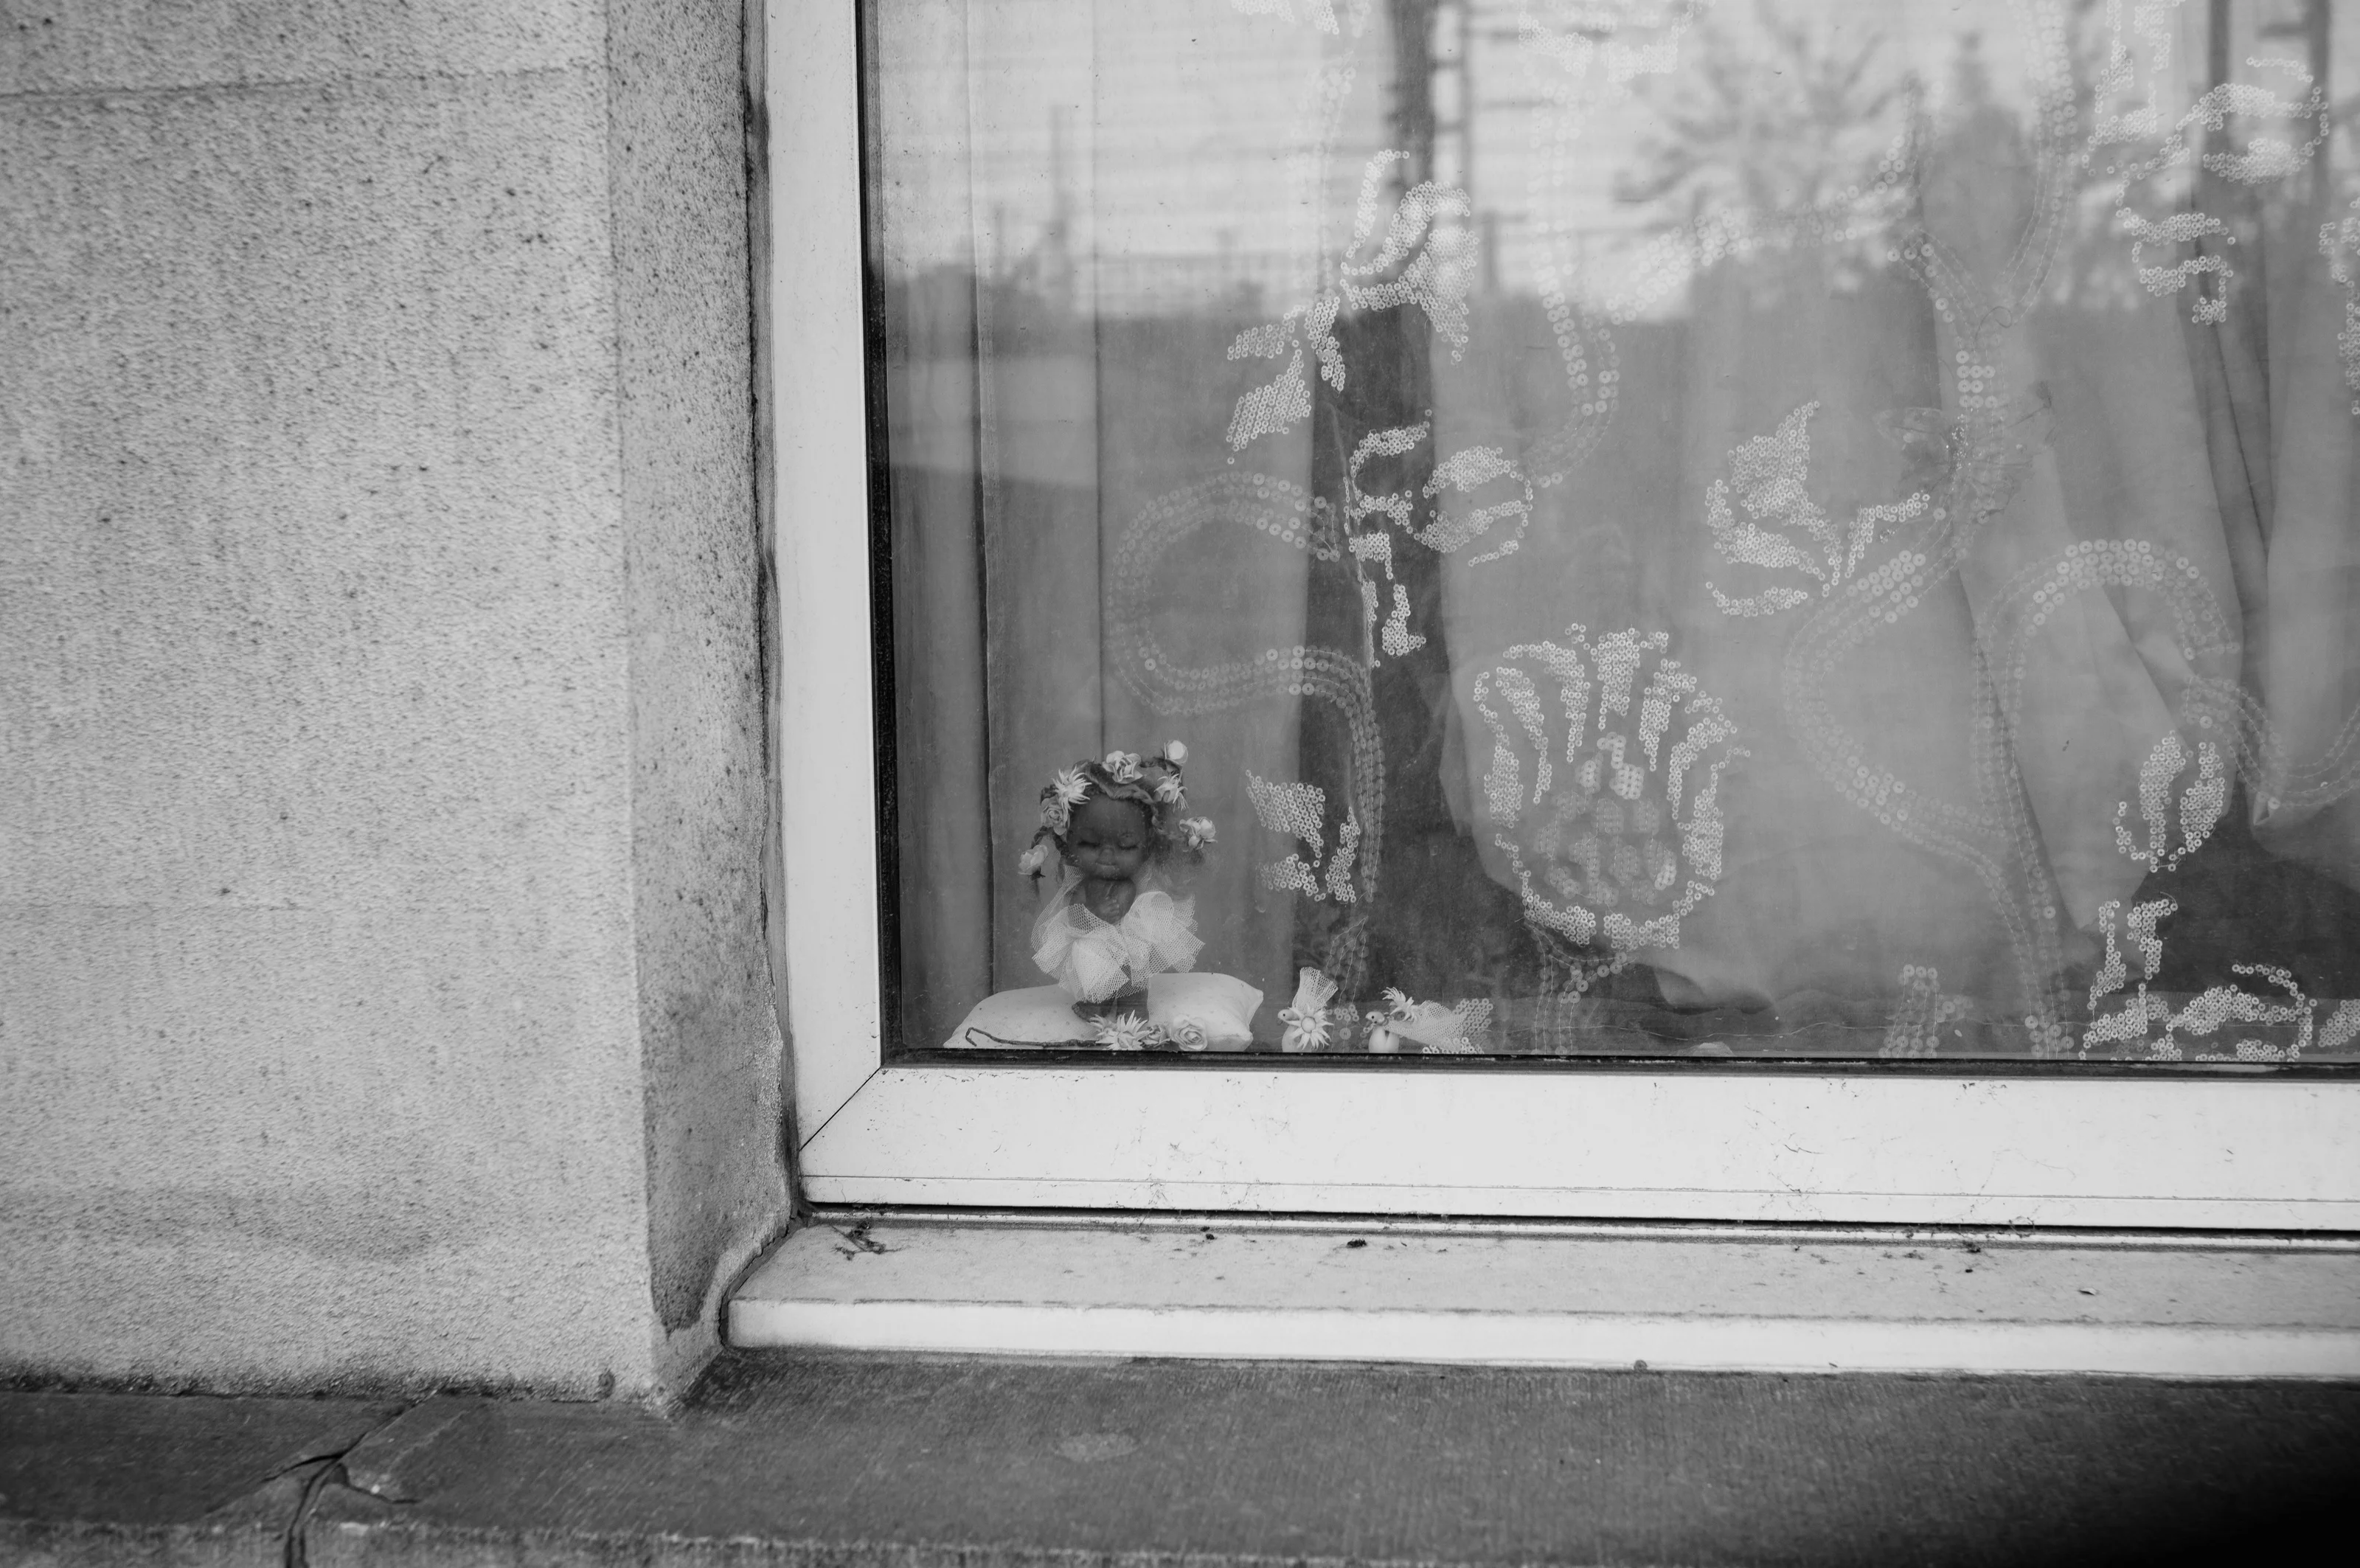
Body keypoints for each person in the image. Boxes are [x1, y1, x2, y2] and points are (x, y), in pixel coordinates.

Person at [1020, 744, 1215, 1020]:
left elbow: (1121, 905)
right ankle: (1094, 1003)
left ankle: (1133, 1007)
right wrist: (1085, 914)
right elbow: (1075, 910)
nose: (1107, 856)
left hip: (1126, 940)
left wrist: (1100, 915)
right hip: (1094, 941)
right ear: (1070, 841)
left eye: (1125, 846)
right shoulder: (1082, 884)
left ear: (1147, 846)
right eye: (1089, 843)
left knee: (1135, 977)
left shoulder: (1126, 886)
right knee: (1091, 973)